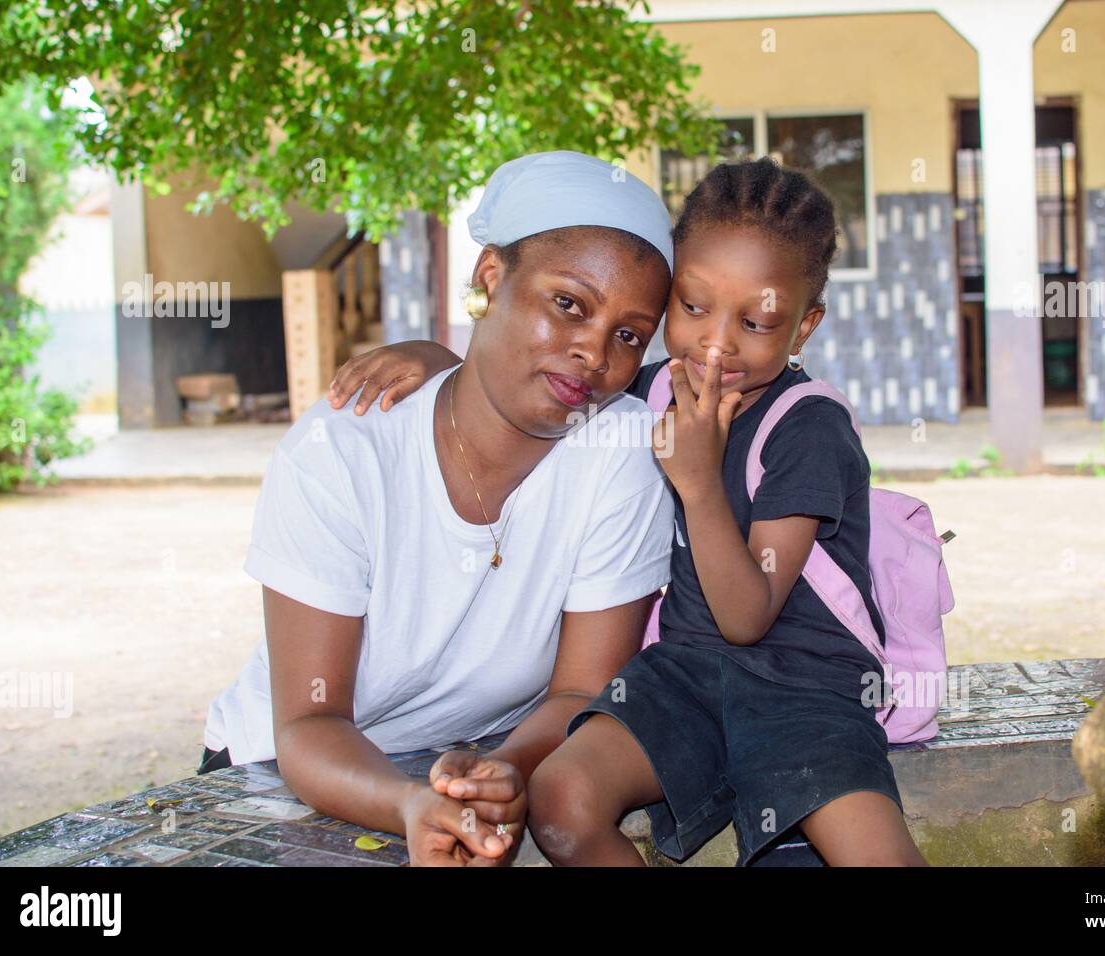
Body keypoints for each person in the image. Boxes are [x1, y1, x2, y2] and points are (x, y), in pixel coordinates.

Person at [328, 157, 928, 866]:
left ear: (802, 328)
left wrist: (700, 484)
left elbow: (748, 614)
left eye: (757, 321)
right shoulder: (649, 391)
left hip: (805, 690)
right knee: (559, 800)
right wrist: (436, 356)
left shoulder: (809, 429)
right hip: (681, 680)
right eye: (694, 306)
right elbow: (539, 369)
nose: (716, 343)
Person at [201, 150, 678, 866]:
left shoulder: (621, 457)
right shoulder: (344, 452)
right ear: (491, 278)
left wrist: (508, 770)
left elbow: (580, 690)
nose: (593, 352)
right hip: (288, 772)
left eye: (629, 336)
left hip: (470, 762)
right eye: (568, 304)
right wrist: (408, 804)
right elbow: (308, 721)